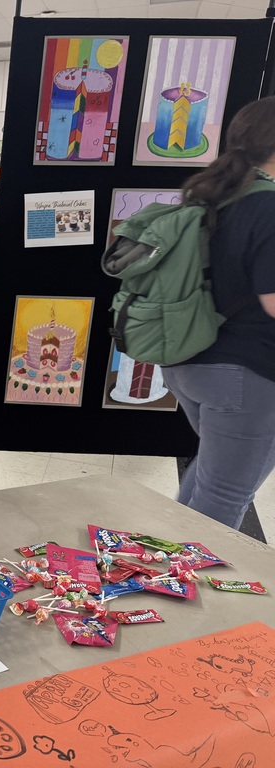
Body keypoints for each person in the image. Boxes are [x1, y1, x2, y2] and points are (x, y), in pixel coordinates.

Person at [161, 96, 275, 531]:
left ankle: (161, 568)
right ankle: (183, 590)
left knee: (208, 482)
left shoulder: (213, 198)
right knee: (223, 501)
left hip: (190, 362)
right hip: (247, 373)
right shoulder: (267, 205)